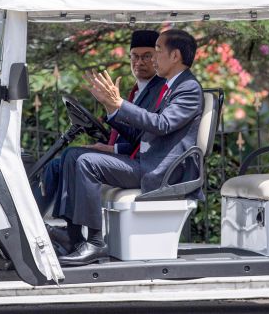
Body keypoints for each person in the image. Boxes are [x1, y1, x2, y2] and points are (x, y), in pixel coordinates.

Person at [57, 29, 203, 266]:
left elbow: (162, 124)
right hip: (147, 162)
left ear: (175, 55)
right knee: (75, 155)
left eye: (157, 51)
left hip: (162, 170)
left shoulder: (188, 88)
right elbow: (140, 132)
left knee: (86, 163)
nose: (153, 59)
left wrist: (120, 103)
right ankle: (74, 237)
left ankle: (94, 243)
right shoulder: (170, 86)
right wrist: (112, 108)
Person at [41, 30, 164, 254]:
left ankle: (92, 240)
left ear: (158, 58)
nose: (139, 62)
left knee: (83, 160)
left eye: (147, 56)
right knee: (62, 160)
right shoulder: (138, 90)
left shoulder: (160, 90)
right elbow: (137, 136)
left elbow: (149, 136)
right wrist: (111, 143)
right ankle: (54, 229)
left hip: (147, 165)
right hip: (133, 157)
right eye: (134, 56)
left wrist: (113, 107)